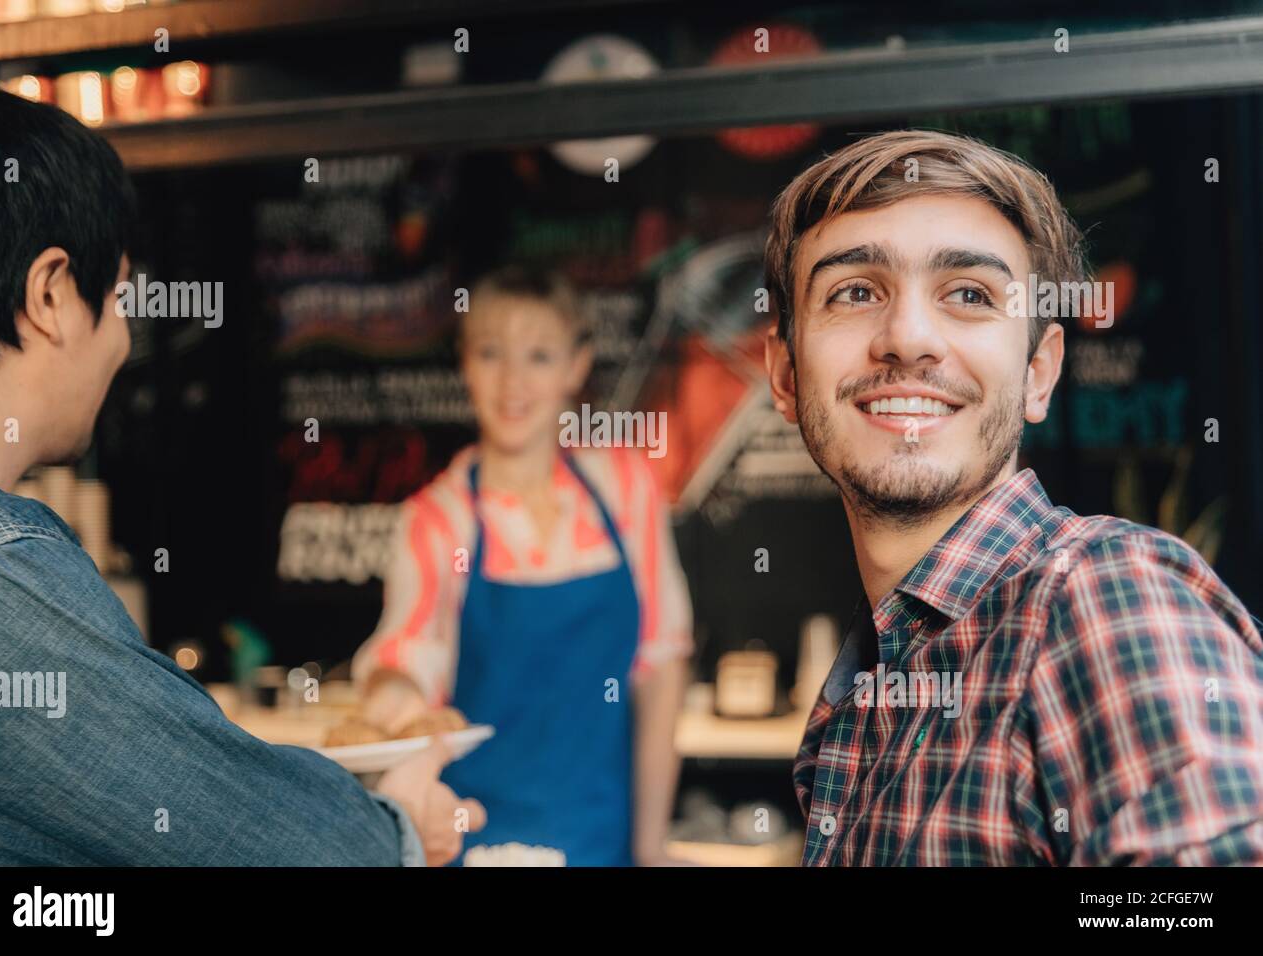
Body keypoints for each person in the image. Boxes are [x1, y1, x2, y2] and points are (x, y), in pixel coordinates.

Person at [0, 87, 484, 865]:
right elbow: (262, 839)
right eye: (117, 299)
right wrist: (396, 824)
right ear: (50, 295)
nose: (121, 340)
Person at [763, 129, 1263, 865]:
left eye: (969, 294)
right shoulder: (873, 682)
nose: (907, 337)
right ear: (784, 375)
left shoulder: (1100, 597)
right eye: (856, 292)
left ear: (1038, 373)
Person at [351, 266, 693, 866]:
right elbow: (403, 659)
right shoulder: (439, 518)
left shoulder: (624, 489)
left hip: (603, 841)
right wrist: (401, 711)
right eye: (491, 353)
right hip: (474, 844)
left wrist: (650, 847)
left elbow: (660, 671)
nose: (513, 381)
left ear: (575, 365)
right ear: (465, 364)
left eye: (539, 355)